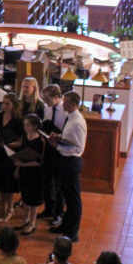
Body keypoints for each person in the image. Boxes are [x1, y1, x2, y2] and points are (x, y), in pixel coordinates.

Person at [47, 92, 87, 242]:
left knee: (73, 199)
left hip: (71, 162)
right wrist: (58, 139)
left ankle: (73, 233)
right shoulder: (70, 118)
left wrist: (57, 145)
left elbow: (77, 148)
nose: (63, 104)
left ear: (74, 104)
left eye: (66, 102)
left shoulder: (77, 122)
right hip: (65, 161)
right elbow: (69, 140)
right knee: (65, 195)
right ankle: (65, 225)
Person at [0, 93, 24, 223]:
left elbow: (20, 141)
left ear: (14, 105)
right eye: (4, 103)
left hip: (10, 154)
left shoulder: (18, 121)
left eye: (8, 103)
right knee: (1, 183)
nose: (5, 106)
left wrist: (7, 143)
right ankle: (3, 209)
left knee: (9, 184)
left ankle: (9, 210)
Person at [10, 115, 48, 235]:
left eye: (27, 125)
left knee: (34, 198)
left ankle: (32, 222)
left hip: (35, 172)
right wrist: (17, 169)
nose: (24, 127)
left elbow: (39, 161)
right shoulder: (26, 137)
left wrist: (23, 165)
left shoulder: (40, 140)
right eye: (24, 125)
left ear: (35, 126)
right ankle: (25, 220)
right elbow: (21, 154)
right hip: (24, 170)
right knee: (25, 196)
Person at [39, 85, 67, 226]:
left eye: (47, 98)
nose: (45, 101)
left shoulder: (65, 111)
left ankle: (59, 213)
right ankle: (49, 208)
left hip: (61, 149)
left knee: (58, 182)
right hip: (49, 147)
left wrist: (58, 135)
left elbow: (67, 133)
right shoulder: (47, 108)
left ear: (57, 97)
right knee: (47, 179)